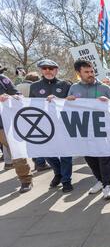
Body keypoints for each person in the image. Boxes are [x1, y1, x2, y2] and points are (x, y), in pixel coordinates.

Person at [67, 60, 110, 200]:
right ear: (79, 73)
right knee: (90, 157)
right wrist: (68, 102)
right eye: (87, 72)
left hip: (102, 129)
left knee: (105, 158)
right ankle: (100, 180)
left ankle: (107, 185)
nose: (91, 74)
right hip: (84, 130)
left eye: (92, 71)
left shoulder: (104, 88)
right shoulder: (73, 88)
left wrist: (108, 101)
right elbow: (68, 109)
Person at [31, 59, 74, 192]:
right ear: (41, 70)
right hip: (44, 126)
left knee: (66, 154)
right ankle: (58, 173)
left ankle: (66, 180)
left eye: (51, 68)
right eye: (45, 68)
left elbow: (73, 103)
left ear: (56, 70)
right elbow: (31, 106)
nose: (48, 71)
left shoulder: (66, 84)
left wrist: (60, 100)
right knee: (47, 153)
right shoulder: (34, 86)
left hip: (63, 124)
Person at [0, 67, 33, 193]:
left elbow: (18, 95)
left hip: (4, 124)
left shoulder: (3, 80)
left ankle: (25, 180)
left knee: (16, 151)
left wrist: (8, 97)